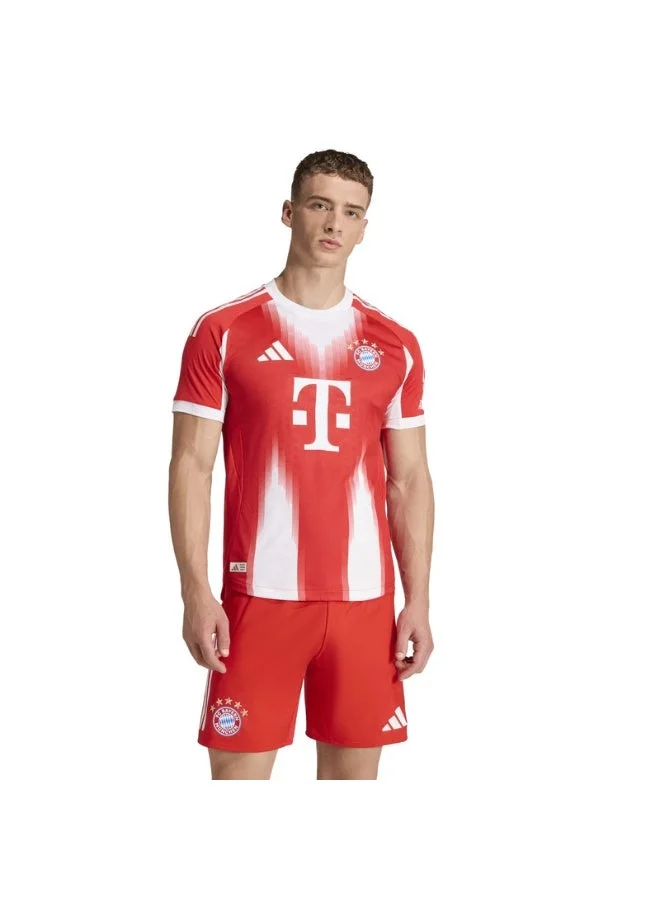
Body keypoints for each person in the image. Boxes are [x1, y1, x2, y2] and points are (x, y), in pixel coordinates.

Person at [168, 149, 435, 780]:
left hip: (365, 601)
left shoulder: (395, 344)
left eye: (351, 212)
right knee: (237, 784)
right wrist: (194, 590)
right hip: (258, 597)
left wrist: (418, 599)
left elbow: (409, 480)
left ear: (364, 227)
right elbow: (190, 466)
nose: (334, 223)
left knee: (352, 790)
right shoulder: (224, 330)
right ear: (290, 212)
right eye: (320, 205)